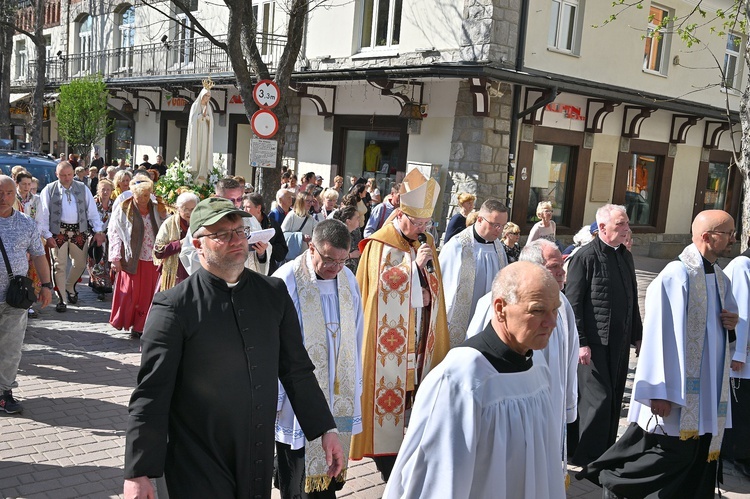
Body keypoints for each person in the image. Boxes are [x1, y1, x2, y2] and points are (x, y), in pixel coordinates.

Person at [123, 197, 344, 499]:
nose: (236, 240)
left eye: (239, 231)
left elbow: (297, 370)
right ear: (198, 243)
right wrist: (138, 471)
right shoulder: (172, 307)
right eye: (222, 234)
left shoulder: (272, 293)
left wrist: (324, 429)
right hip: (197, 456)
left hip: (255, 452)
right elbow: (151, 393)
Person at [579, 210, 739, 498]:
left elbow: (718, 336)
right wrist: (659, 391)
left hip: (709, 390)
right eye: (728, 233)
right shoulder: (675, 276)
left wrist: (731, 326)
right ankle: (614, 482)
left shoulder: (719, 276)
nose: (733, 239)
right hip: (678, 392)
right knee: (669, 452)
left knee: (700, 454)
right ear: (706, 236)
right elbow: (658, 337)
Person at [383, 262, 566, 499]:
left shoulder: (538, 366)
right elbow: (436, 480)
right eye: (538, 310)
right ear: (500, 308)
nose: (551, 323)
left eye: (555, 310)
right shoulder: (460, 378)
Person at [351, 168, 450, 482]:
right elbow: (380, 293)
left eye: (426, 223)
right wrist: (414, 270)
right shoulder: (381, 243)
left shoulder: (425, 240)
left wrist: (428, 290)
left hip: (419, 334)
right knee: (390, 403)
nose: (422, 228)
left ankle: (414, 451)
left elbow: (435, 285)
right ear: (401, 214)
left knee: (416, 398)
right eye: (418, 222)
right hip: (390, 342)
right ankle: (388, 464)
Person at [466, 241, 579, 482]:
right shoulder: (493, 304)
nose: (551, 322)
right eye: (554, 266)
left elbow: (570, 355)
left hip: (547, 402)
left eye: (562, 266)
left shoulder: (563, 304)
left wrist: (568, 403)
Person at [273, 219, 364, 498]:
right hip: (296, 391)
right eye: (329, 259)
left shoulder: (348, 279)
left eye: (342, 261)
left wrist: (355, 380)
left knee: (331, 471)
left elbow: (357, 330)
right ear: (311, 246)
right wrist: (276, 395)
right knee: (296, 471)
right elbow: (273, 341)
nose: (335, 268)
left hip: (339, 389)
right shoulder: (285, 279)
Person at [565, 204, 642, 466]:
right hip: (594, 344)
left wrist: (638, 335)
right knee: (598, 399)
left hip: (618, 342)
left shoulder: (624, 255)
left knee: (614, 399)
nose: (626, 229)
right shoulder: (584, 257)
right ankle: (589, 457)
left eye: (626, 224)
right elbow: (573, 303)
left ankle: (604, 452)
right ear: (602, 228)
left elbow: (632, 297)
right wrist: (581, 342)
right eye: (620, 225)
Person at [0, 175, 52, 414]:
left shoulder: (26, 223)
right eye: (0, 192)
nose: (3, 197)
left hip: (15, 298)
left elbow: (39, 255)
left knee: (11, 348)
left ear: (16, 195)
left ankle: (4, 392)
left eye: (9, 193)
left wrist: (47, 285)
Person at [439, 199, 509, 348]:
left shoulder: (499, 248)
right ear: (479, 219)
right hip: (461, 322)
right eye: (495, 225)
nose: (499, 230)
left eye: (502, 226)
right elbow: (442, 288)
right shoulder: (457, 246)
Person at [37, 161, 106, 312]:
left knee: (80, 264)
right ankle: (62, 298)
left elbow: (92, 212)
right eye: (63, 175)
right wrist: (47, 235)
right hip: (58, 232)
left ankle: (69, 286)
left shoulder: (83, 188)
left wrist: (98, 231)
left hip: (79, 232)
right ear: (57, 174)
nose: (67, 178)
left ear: (73, 173)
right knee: (59, 266)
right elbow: (43, 216)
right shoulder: (49, 190)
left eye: (69, 174)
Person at [108, 177, 166, 339]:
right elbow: (114, 233)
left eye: (147, 195)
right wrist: (115, 257)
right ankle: (131, 322)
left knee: (149, 294)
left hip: (152, 257)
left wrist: (164, 213)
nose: (143, 199)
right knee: (132, 293)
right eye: (140, 196)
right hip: (132, 257)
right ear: (133, 194)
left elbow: (166, 225)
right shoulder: (123, 207)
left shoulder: (156, 207)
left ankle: (143, 326)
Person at [180, 177, 269, 275]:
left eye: (239, 199)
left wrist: (261, 253)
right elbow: (187, 252)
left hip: (245, 280)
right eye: (231, 200)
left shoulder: (250, 219)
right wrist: (217, 258)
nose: (236, 204)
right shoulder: (203, 219)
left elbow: (261, 254)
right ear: (218, 197)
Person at [722, 236, 750, 478]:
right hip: (744, 357)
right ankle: (738, 455)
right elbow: (740, 314)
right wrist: (738, 352)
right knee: (742, 406)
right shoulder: (742, 265)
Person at [153, 191, 199, 291]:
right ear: (178, 208)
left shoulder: (200, 222)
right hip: (175, 273)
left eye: (193, 209)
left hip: (196, 269)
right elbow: (158, 251)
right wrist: (180, 243)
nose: (189, 213)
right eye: (185, 209)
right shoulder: (169, 223)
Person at [242, 192, 289, 275]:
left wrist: (268, 247)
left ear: (258, 208)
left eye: (248, 207)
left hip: (267, 272)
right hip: (246, 270)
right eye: (244, 207)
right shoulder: (241, 224)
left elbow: (282, 252)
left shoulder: (272, 225)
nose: (244, 210)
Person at [87, 179, 114, 302]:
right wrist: (96, 234)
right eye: (103, 189)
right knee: (96, 261)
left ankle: (105, 286)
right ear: (98, 190)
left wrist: (106, 234)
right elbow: (88, 219)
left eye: (108, 189)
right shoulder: (92, 203)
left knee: (106, 262)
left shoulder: (114, 205)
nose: (105, 192)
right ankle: (98, 287)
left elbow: (116, 221)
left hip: (109, 236)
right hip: (94, 236)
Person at [185, 83, 214, 182]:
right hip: (197, 132)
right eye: (206, 95)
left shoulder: (208, 107)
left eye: (209, 96)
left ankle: (203, 173)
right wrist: (201, 116)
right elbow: (193, 120)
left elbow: (211, 120)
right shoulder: (195, 105)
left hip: (205, 130)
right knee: (197, 150)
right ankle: (194, 173)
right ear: (202, 95)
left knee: (204, 150)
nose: (207, 98)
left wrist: (206, 117)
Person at [281, 191, 318, 263]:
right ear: (300, 201)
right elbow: (282, 234)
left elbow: (321, 228)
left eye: (311, 201)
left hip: (305, 257)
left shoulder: (310, 218)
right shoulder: (292, 215)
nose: (310, 203)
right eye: (307, 201)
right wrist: (301, 236)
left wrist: (317, 211)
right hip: (291, 257)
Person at [332, 206, 362, 274]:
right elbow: (334, 257)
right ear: (349, 221)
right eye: (357, 218)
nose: (359, 220)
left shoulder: (353, 233)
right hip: (341, 271)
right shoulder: (339, 236)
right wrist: (351, 255)